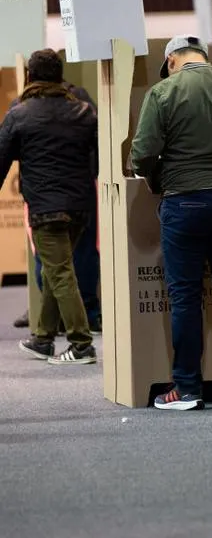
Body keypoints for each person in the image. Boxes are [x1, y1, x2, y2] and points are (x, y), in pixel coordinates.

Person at [130, 35, 212, 411]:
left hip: (185, 202)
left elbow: (143, 152)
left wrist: (155, 179)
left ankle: (186, 389)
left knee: (185, 296)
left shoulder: (164, 91)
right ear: (203, 57)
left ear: (170, 61)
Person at [0, 49, 97, 364]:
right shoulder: (84, 111)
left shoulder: (19, 113)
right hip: (81, 205)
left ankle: (82, 344)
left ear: (30, 76)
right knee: (60, 269)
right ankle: (42, 339)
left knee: (60, 272)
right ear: (60, 76)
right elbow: (99, 157)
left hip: (45, 208)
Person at [12, 81, 101, 334]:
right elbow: (100, 143)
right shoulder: (81, 101)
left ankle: (79, 340)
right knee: (79, 258)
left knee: (53, 265)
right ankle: (50, 332)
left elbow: (8, 148)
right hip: (81, 196)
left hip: (42, 200)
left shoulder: (21, 107)